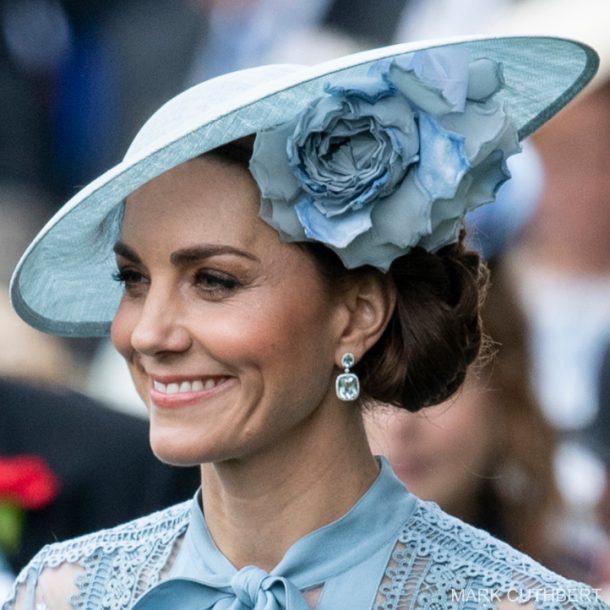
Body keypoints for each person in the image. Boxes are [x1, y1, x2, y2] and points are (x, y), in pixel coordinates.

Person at [3, 35, 606, 609]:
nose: (149, 334)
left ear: (357, 314)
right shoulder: (62, 593)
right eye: (133, 280)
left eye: (214, 281)